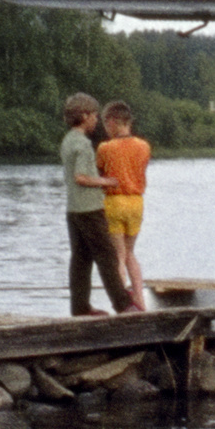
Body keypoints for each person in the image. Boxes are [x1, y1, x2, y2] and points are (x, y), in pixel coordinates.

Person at [60, 93, 135, 316]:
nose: (96, 120)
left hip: (73, 210)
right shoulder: (83, 144)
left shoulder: (67, 140)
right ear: (84, 116)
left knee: (81, 259)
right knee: (107, 256)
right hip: (90, 209)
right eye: (93, 116)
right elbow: (81, 177)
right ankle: (123, 305)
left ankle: (80, 307)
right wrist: (106, 181)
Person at [97, 101, 151, 311]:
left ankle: (122, 303)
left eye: (105, 124)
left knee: (117, 255)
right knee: (130, 253)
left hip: (115, 202)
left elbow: (101, 171)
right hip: (137, 202)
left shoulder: (105, 147)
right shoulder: (144, 146)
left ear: (112, 122)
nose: (105, 129)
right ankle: (141, 300)